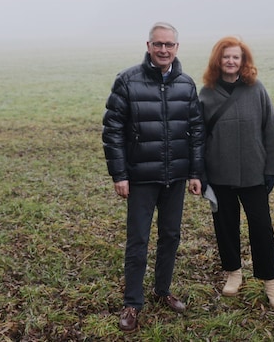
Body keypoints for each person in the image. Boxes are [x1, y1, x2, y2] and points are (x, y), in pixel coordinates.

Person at [102, 22, 204, 332]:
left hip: (174, 177)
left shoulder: (186, 85)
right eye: (157, 44)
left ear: (177, 48)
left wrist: (195, 173)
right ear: (148, 46)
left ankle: (162, 291)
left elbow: (196, 131)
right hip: (141, 178)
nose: (163, 50)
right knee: (138, 240)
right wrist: (119, 174)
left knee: (170, 236)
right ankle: (133, 302)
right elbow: (113, 130)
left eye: (169, 45)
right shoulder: (127, 81)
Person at [199, 36, 274, 308]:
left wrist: (271, 169)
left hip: (253, 173)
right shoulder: (206, 94)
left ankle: (270, 281)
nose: (231, 61)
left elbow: (269, 130)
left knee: (261, 228)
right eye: (226, 57)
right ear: (218, 60)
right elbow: (198, 138)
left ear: (243, 61)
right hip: (219, 174)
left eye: (236, 57)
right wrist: (200, 175)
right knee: (225, 226)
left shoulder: (256, 89)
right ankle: (233, 273)